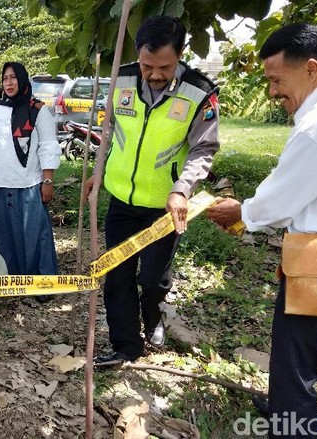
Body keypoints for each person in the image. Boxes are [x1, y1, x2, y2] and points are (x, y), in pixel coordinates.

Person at [207, 23, 317, 436]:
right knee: (297, 353)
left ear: (311, 68)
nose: (273, 92)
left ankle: (291, 424)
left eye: (277, 79)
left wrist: (240, 212)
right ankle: (282, 407)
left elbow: (281, 198)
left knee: (295, 364)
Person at [83, 16, 220, 364]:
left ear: (180, 56)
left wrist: (182, 189)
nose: (156, 75)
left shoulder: (200, 91)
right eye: (148, 66)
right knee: (117, 275)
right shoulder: (122, 76)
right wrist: (99, 172)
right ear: (137, 55)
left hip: (165, 206)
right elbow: (111, 128)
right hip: (121, 199)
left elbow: (204, 148)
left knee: (154, 279)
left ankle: (154, 316)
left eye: (165, 67)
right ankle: (127, 347)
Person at [0, 61, 60, 285]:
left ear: (22, 80)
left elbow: (48, 145)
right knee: (1, 234)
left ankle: (40, 283)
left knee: (33, 234)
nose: (9, 82)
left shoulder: (38, 110)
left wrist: (47, 180)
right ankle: (5, 279)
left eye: (13, 77)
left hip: (29, 185)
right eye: (5, 78)